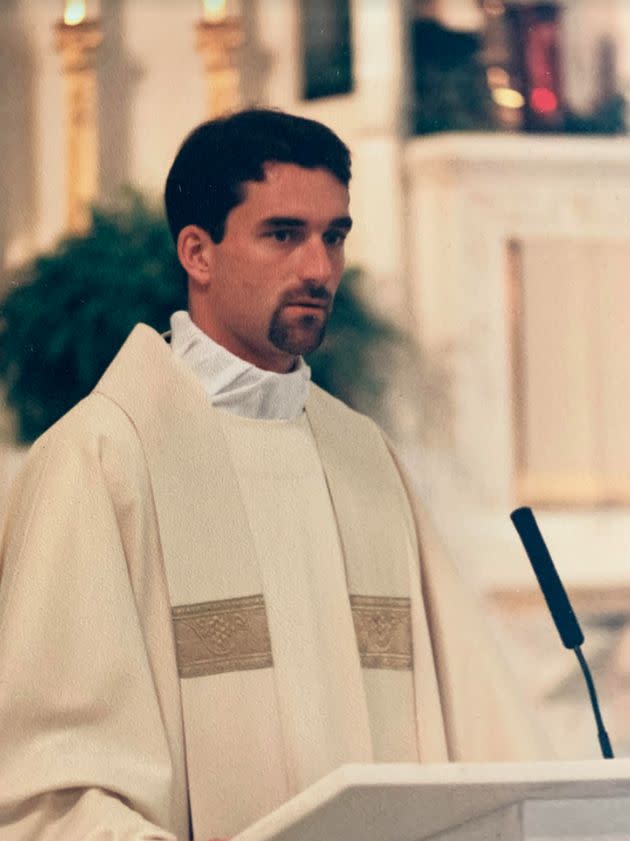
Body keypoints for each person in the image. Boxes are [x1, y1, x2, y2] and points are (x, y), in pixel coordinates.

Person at [0, 109, 546, 841]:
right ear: (198, 252)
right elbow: (52, 794)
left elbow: (481, 748)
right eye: (283, 235)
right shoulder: (102, 459)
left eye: (334, 236)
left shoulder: (363, 456)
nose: (319, 269)